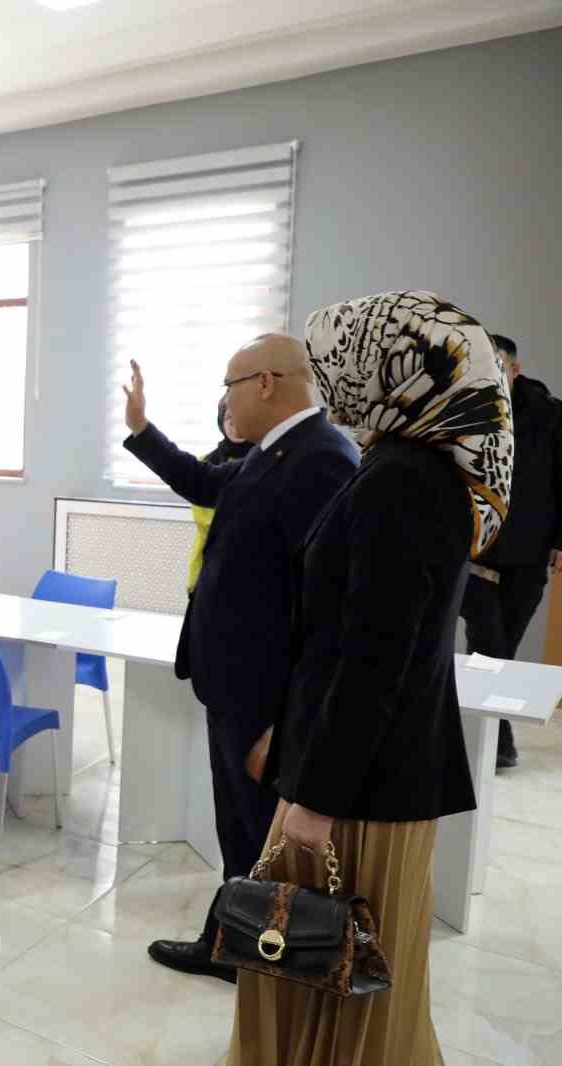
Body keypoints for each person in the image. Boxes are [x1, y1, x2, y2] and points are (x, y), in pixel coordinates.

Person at [228, 291, 509, 1064]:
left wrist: (312, 799)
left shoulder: (403, 481)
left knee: (341, 964)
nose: (329, 381)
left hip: (363, 788)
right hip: (362, 768)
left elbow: (375, 659)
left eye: (335, 365)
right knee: (332, 964)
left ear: (389, 371)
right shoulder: (407, 467)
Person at [121, 335, 358, 984]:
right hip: (234, 690)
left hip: (263, 704)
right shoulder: (272, 454)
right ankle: (231, 944)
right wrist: (141, 430)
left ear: (264, 383)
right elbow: (203, 483)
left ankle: (256, 960)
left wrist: (287, 724)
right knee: (240, 832)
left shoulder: (321, 461)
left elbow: (325, 612)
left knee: (257, 838)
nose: (222, 401)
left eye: (228, 385)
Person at [458, 333, 562, 770]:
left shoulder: (551, 417)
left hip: (528, 550)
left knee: (504, 647)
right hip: (471, 550)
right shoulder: (461, 411)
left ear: (515, 370)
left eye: (495, 364)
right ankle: (498, 740)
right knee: (488, 641)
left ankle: (486, 739)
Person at [188, 399, 254, 592]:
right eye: (228, 418)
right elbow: (206, 519)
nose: (233, 424)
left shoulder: (266, 460)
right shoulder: (205, 463)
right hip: (206, 566)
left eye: (239, 416)